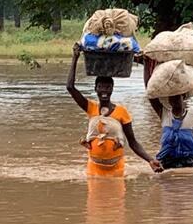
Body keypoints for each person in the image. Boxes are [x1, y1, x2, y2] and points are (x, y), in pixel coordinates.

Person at [67, 43, 161, 177]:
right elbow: (70, 87)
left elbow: (133, 143)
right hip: (94, 170)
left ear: (112, 89)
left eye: (107, 87)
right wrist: (75, 58)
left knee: (116, 198)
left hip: (117, 170)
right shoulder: (91, 107)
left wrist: (150, 160)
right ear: (96, 89)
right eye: (101, 87)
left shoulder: (122, 112)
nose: (104, 91)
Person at [149, 92, 193, 169]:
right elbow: (151, 95)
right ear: (168, 100)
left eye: (177, 97)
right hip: (166, 159)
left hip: (190, 161)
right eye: (171, 98)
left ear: (184, 97)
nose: (174, 100)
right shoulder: (164, 114)